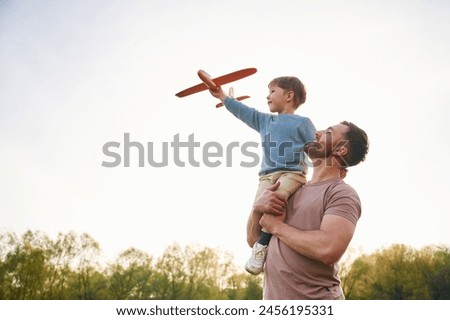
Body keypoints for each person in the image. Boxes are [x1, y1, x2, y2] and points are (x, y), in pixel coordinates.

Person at [247, 121, 369, 299]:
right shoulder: (290, 188)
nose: (316, 132)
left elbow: (328, 248)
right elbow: (253, 241)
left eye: (328, 132)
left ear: (341, 150)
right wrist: (258, 209)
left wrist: (277, 227)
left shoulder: (342, 194)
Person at [209, 76, 316, 275]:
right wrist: (223, 97)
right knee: (258, 208)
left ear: (289, 95)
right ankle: (258, 243)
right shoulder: (265, 121)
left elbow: (315, 150)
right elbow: (244, 112)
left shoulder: (303, 123)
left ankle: (261, 247)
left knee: (275, 201)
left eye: (272, 91)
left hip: (292, 173)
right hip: (266, 176)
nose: (267, 96)